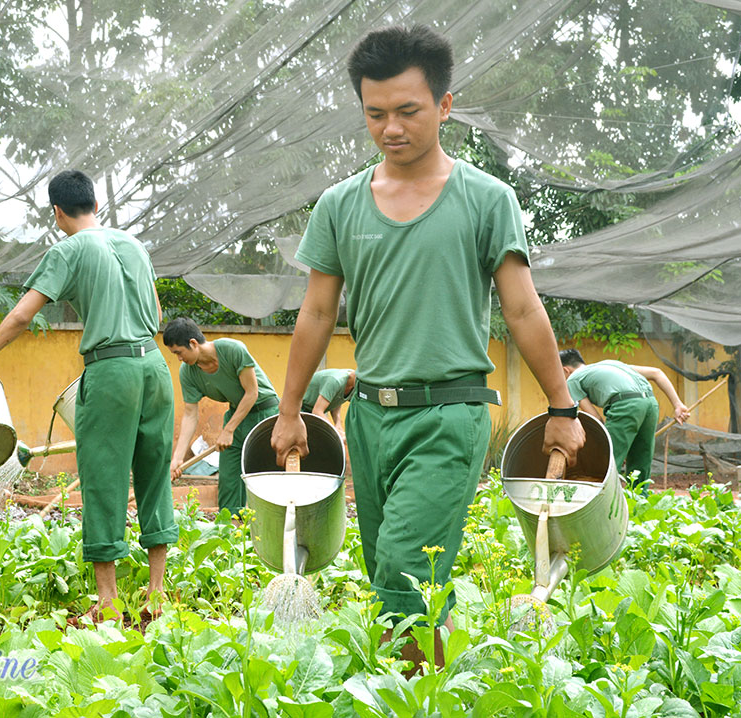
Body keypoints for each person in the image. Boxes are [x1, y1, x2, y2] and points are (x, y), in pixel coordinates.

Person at [269, 24, 585, 668]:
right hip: (371, 418)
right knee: (399, 577)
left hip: (449, 413)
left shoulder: (487, 200)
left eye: (408, 111)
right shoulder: (339, 205)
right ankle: (429, 689)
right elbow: (318, 311)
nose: (391, 128)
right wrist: (290, 408)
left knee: (403, 572)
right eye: (375, 114)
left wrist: (562, 407)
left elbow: (522, 307)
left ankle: (397, 697)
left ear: (443, 106)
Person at [0, 169, 177, 622]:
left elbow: (24, 314)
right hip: (155, 369)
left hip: (111, 373)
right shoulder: (135, 245)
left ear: (58, 212)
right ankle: (157, 596)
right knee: (155, 474)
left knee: (103, 478)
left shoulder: (67, 249)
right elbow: (157, 313)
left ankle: (108, 602)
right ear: (96, 205)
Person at [162, 317, 279, 514]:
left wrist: (228, 430)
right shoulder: (188, 373)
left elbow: (252, 393)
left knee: (265, 478)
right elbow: (190, 415)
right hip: (236, 416)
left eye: (179, 353)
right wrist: (178, 458)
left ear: (193, 343)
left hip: (265, 415)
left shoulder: (232, 349)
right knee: (229, 480)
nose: (179, 359)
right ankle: (230, 532)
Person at [559, 349, 691, 491]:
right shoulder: (611, 364)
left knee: (608, 463)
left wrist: (607, 444)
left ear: (565, 371)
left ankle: (603, 503)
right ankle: (639, 502)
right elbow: (657, 373)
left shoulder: (572, 380)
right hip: (650, 404)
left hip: (625, 405)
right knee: (640, 461)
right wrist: (677, 405)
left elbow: (595, 419)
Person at [301, 368, 356, 434]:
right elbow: (317, 411)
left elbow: (336, 399)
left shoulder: (354, 386)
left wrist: (338, 424)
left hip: (313, 412)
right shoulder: (335, 380)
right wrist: (336, 432)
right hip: (299, 409)